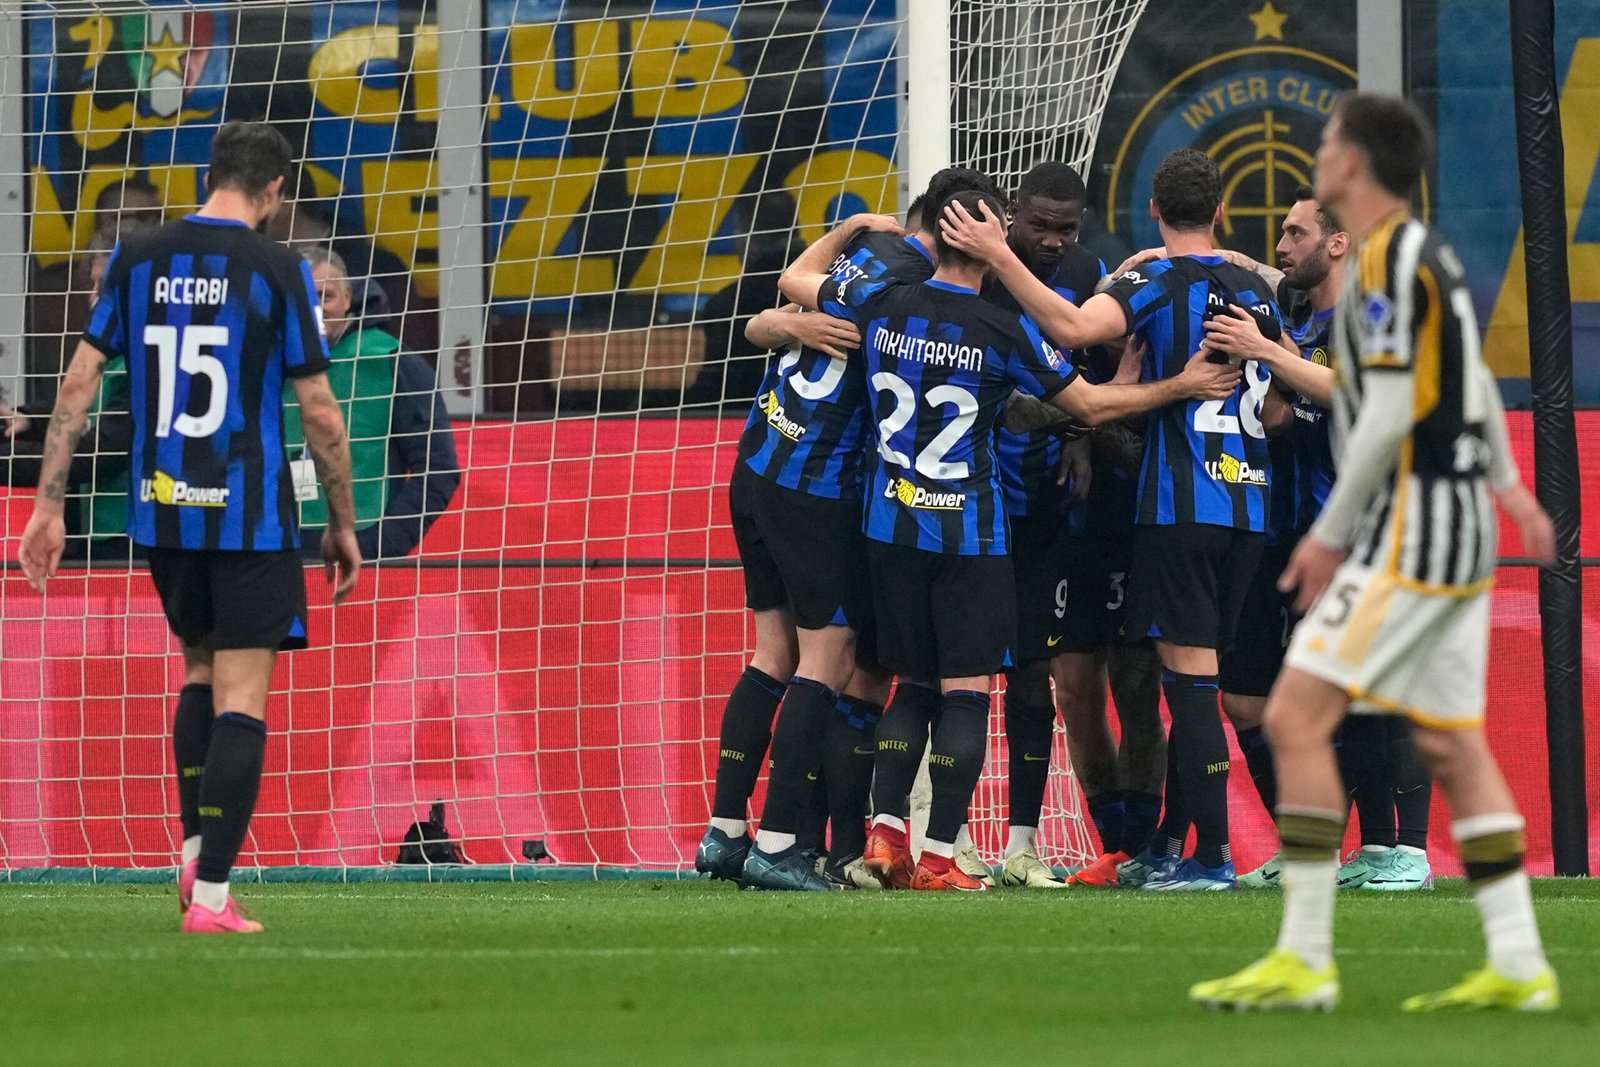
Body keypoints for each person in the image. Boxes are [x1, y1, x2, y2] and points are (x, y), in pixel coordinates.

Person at [1190, 93, 1558, 1013]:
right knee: (1449, 743)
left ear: (1352, 163)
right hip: (1451, 523)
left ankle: (1307, 955)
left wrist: (1328, 532)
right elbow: (1470, 376)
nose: (1317, 154)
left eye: (1326, 143)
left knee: (1295, 714)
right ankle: (1518, 961)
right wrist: (1511, 484)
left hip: (1411, 530)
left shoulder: (1389, 261)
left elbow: (1385, 407)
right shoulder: (1423, 254)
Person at [784, 187, 1240, 891]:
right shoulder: (1004, 328)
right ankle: (940, 861)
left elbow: (796, 281)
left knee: (911, 685)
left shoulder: (881, 301)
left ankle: (884, 838)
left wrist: (809, 275)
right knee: (966, 695)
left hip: (889, 526)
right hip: (968, 535)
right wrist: (1176, 384)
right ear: (993, 238)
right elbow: (1087, 404)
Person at [19, 121, 362, 934]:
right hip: (249, 519)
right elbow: (319, 412)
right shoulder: (278, 268)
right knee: (243, 695)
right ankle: (210, 895)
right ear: (274, 189)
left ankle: (194, 850)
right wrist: (341, 522)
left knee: (198, 673)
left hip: (165, 515)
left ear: (210, 176)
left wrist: (47, 504)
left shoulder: (137, 256)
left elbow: (77, 385)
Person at [941, 149, 1290, 892]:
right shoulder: (1256, 292)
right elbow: (1284, 400)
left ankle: (1210, 858)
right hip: (1251, 507)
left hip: (1181, 507)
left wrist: (998, 253)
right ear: (1220, 211)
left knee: (1189, 687)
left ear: (1154, 211)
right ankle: (1167, 845)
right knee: (1195, 686)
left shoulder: (1152, 282)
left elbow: (1071, 328)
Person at [697, 168, 996, 892]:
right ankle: (779, 845)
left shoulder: (865, 257)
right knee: (828, 664)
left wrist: (849, 231)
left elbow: (777, 299)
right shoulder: (915, 290)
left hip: (757, 461)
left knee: (772, 653)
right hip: (817, 483)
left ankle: (726, 832)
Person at [1204, 186, 1435, 893]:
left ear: (1338, 243)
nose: (1281, 247)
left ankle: (1404, 852)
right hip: (1293, 536)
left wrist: (1265, 352)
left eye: (1295, 233)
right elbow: (1297, 405)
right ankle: (1322, 849)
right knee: (1254, 698)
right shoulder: (1300, 318)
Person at [976, 162, 1111, 889]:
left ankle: (1021, 844)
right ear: (1012, 214)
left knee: (1034, 676)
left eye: (1066, 228)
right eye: (1040, 225)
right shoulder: (973, 269)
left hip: (1043, 504)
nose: (1054, 240)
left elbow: (1097, 373)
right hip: (968, 504)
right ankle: (942, 837)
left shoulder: (1090, 274)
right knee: (954, 673)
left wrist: (1080, 437)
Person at [292, 248, 461, 561]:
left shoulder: (393, 361)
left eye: (326, 297)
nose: (315, 310)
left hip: (364, 550)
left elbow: (439, 469)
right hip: (278, 554)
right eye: (304, 299)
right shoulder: (266, 362)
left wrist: (382, 544)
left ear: (347, 298)